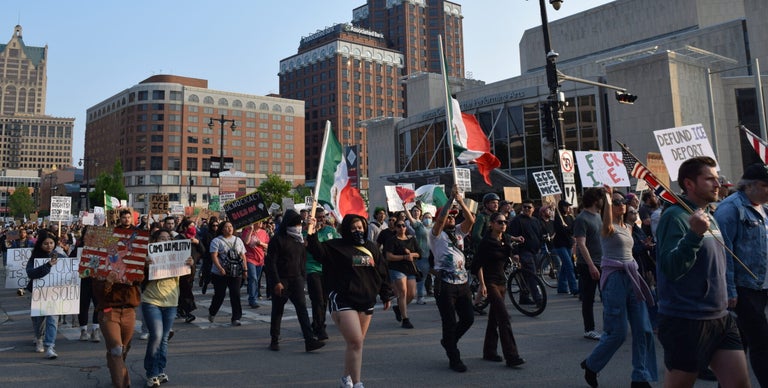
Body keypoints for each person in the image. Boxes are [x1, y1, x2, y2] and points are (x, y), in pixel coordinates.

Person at [656, 156, 750, 387]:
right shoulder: (674, 217)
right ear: (689, 184)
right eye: (709, 179)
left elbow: (718, 261)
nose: (718, 184)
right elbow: (672, 267)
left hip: (720, 316)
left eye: (716, 179)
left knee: (739, 384)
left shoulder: (709, 215)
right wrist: (694, 235)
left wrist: (729, 291)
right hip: (687, 319)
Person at [306, 213, 393, 388]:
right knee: (356, 341)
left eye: (360, 227)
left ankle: (346, 379)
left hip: (366, 300)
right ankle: (358, 383)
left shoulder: (372, 248)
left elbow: (382, 271)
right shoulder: (335, 246)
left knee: (355, 344)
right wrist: (311, 231)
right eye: (353, 228)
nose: (357, 231)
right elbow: (317, 251)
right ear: (346, 229)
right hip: (343, 299)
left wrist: (385, 294)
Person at [580, 188, 656, 388]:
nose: (621, 203)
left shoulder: (627, 226)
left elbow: (630, 249)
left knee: (643, 329)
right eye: (615, 202)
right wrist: (607, 195)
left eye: (623, 201)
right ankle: (591, 365)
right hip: (614, 280)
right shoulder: (607, 226)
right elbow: (606, 215)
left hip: (632, 276)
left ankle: (640, 377)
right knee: (618, 333)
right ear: (607, 207)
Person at [714, 162, 768, 387]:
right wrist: (730, 290)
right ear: (751, 186)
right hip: (744, 288)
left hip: (761, 285)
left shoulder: (763, 208)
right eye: (766, 185)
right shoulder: (730, 209)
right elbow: (724, 253)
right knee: (762, 343)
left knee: (741, 342)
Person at [93, 208, 142, 388]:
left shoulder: (133, 260)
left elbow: (145, 279)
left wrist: (146, 267)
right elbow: (98, 294)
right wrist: (108, 282)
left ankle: (116, 366)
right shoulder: (101, 265)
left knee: (122, 351)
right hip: (109, 311)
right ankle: (122, 384)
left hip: (129, 311)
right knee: (116, 349)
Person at [264, 209, 325, 352]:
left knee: (302, 310)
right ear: (288, 224)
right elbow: (271, 263)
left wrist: (302, 276)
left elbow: (302, 258)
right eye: (296, 224)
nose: (298, 226)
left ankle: (309, 340)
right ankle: (274, 339)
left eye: (299, 224)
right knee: (278, 311)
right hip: (282, 280)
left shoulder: (299, 240)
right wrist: (276, 282)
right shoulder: (277, 240)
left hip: (297, 280)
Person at [142, 228, 195, 387]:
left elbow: (187, 280)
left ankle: (159, 369)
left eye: (167, 238)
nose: (164, 240)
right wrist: (145, 265)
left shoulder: (178, 255)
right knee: (156, 336)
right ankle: (151, 372)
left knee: (164, 338)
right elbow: (138, 278)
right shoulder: (149, 256)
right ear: (155, 241)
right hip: (152, 301)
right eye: (161, 238)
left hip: (171, 302)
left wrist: (191, 266)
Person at [431, 185, 476, 372]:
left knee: (468, 318)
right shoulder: (436, 234)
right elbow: (440, 220)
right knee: (449, 321)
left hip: (462, 283)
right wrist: (450, 200)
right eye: (448, 215)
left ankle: (448, 341)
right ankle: (454, 357)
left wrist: (459, 200)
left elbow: (470, 219)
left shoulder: (459, 231)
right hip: (445, 285)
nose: (450, 218)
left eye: (452, 216)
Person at [476, 212, 526, 368]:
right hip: (490, 282)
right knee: (504, 317)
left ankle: (489, 351)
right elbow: (477, 265)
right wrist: (482, 284)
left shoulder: (504, 238)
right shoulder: (486, 242)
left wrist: (514, 257)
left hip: (501, 281)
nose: (503, 224)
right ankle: (512, 356)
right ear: (491, 224)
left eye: (505, 222)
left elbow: (507, 251)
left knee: (494, 318)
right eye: (499, 222)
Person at [26, 230, 67, 359]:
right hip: (39, 294)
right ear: (40, 245)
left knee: (53, 319)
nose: (49, 246)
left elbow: (69, 269)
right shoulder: (35, 258)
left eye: (51, 243)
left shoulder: (60, 256)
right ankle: (39, 338)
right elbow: (31, 273)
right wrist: (48, 265)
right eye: (45, 243)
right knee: (39, 320)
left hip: (55, 294)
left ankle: (50, 346)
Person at [574, 187, 605, 341]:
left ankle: (609, 326)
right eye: (601, 198)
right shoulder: (582, 218)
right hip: (588, 265)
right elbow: (581, 244)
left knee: (606, 296)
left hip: (602, 262)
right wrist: (591, 265)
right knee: (589, 298)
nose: (603, 201)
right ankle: (589, 329)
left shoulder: (598, 216)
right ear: (595, 200)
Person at [304, 208, 338, 340]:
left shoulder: (330, 231)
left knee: (324, 300)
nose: (321, 219)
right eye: (318, 217)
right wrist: (313, 231)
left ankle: (316, 323)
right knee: (317, 299)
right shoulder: (306, 231)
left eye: (323, 217)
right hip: (312, 269)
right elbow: (305, 245)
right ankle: (320, 328)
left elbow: (338, 245)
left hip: (327, 269)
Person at [207, 220, 247, 326]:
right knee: (220, 295)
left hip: (235, 272)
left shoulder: (238, 240)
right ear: (222, 229)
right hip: (220, 273)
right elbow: (214, 256)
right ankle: (212, 311)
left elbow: (243, 255)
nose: (229, 228)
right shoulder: (216, 241)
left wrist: (245, 269)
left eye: (230, 226)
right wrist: (220, 268)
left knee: (235, 294)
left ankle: (236, 318)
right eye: (226, 227)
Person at [383, 215, 420, 328]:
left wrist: (411, 255)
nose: (401, 227)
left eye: (403, 225)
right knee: (403, 292)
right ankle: (405, 319)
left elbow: (419, 253)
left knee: (412, 293)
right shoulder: (391, 241)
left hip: (410, 269)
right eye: (399, 226)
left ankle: (398, 308)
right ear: (395, 228)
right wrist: (404, 257)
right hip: (397, 268)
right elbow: (389, 256)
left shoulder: (412, 239)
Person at [507, 199, 545, 305]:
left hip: (535, 252)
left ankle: (524, 297)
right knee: (532, 275)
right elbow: (512, 236)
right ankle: (538, 299)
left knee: (526, 276)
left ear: (533, 209)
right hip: (524, 252)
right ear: (522, 208)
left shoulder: (535, 220)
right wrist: (515, 253)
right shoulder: (516, 220)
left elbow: (540, 233)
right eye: (524, 207)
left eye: (529, 207)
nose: (527, 209)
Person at [74, 226, 101, 343]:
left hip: (96, 281)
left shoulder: (101, 249)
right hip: (82, 281)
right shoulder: (78, 249)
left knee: (98, 305)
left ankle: (95, 330)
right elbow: (70, 262)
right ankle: (83, 331)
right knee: (83, 306)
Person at [403, 205, 432, 304]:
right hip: (422, 255)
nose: (428, 219)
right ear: (422, 218)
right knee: (422, 277)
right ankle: (420, 297)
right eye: (426, 217)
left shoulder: (433, 227)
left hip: (432, 256)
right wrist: (405, 207)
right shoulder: (419, 226)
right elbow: (411, 219)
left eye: (430, 218)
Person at [241, 220, 269, 308]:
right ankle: (252, 299)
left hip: (260, 259)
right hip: (249, 258)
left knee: (256, 280)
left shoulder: (264, 232)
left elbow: (268, 245)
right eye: (259, 221)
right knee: (253, 278)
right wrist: (250, 230)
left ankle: (254, 295)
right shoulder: (246, 230)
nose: (261, 223)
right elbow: (246, 242)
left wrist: (260, 243)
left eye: (262, 222)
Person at [553, 200, 578, 295]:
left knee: (565, 266)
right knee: (569, 266)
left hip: (569, 244)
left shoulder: (571, 217)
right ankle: (574, 288)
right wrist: (568, 229)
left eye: (569, 206)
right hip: (560, 245)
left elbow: (574, 228)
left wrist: (569, 229)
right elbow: (561, 230)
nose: (568, 208)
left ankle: (562, 287)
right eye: (566, 206)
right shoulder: (558, 217)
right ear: (561, 207)